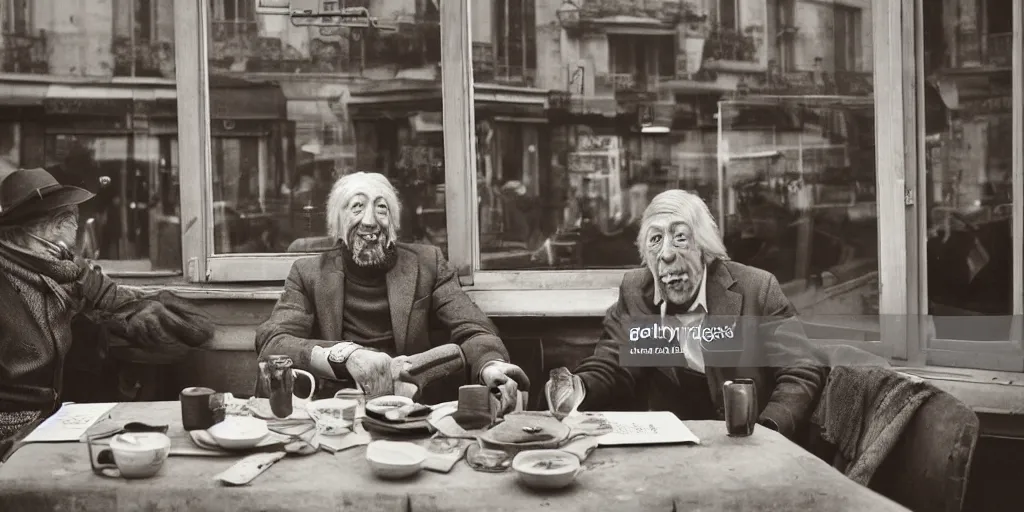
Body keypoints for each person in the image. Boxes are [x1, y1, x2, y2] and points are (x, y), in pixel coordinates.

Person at [550, 189, 825, 442]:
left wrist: (767, 431)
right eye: (655, 240)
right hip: (667, 447)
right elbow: (611, 362)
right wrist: (578, 387)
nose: (667, 254)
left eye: (680, 237)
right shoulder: (637, 290)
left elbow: (802, 370)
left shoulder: (757, 288)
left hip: (743, 442)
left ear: (705, 248)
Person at [255, 172, 528, 411]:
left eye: (381, 209)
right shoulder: (307, 272)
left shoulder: (428, 263)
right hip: (340, 411)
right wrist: (344, 355)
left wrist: (491, 366)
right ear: (337, 225)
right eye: (357, 207)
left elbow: (473, 328)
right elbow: (274, 343)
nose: (370, 221)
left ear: (393, 225)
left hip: (412, 409)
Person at [0, 168, 213, 458]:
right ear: (51, 229)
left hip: (59, 421)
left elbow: (121, 303)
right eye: (73, 224)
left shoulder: (70, 271)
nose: (78, 238)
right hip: (12, 436)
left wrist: (142, 311)